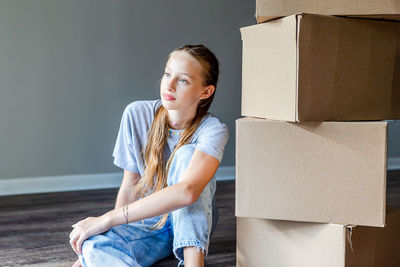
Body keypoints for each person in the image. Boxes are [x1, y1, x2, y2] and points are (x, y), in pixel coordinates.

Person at [69, 44, 229, 267]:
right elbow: (130, 185)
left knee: (186, 154)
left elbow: (187, 193)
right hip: (150, 224)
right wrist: (102, 241)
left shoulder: (213, 130)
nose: (169, 85)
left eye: (182, 80)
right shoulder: (136, 114)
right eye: (167, 74)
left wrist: (105, 219)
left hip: (191, 225)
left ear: (205, 92)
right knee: (92, 244)